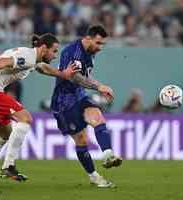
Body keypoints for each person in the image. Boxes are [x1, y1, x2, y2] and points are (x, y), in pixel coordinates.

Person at [0, 33, 77, 184]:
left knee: (4, 134)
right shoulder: (28, 57)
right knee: (25, 118)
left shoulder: (33, 58)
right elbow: (3, 62)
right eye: (54, 51)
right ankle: (8, 165)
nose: (55, 56)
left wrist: (63, 74)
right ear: (43, 48)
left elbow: (43, 68)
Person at [50, 25, 122, 188]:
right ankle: (94, 176)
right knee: (82, 140)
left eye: (103, 44)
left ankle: (108, 154)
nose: (100, 47)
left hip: (80, 95)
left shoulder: (90, 53)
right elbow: (75, 77)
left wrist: (98, 85)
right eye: (98, 43)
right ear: (88, 38)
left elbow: (85, 75)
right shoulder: (73, 51)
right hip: (64, 102)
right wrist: (99, 87)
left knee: (98, 117)